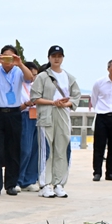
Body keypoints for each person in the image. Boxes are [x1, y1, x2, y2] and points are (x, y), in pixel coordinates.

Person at [0, 45, 35, 196]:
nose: (7, 60)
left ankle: (11, 184)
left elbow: (30, 78)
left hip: (14, 113)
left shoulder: (19, 71)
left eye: (10, 57)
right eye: (5, 56)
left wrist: (20, 63)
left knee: (13, 150)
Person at [30, 45, 80, 198]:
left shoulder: (69, 77)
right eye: (54, 56)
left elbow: (75, 96)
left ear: (63, 58)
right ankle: (45, 184)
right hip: (47, 115)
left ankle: (59, 183)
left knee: (62, 149)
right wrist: (53, 102)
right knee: (47, 150)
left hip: (63, 115)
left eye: (59, 56)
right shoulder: (43, 76)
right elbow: (34, 98)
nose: (56, 59)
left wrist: (66, 103)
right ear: (49, 58)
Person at [18, 60, 41, 192]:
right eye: (31, 74)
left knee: (34, 150)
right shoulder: (19, 86)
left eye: (35, 74)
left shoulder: (35, 86)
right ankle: (18, 179)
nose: (33, 77)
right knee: (25, 150)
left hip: (36, 116)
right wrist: (27, 104)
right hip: (25, 115)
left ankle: (29, 179)